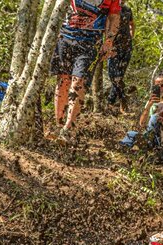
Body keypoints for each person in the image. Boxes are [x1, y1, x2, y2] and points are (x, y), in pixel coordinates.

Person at [50, 0, 121, 141]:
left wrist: (108, 42)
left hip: (90, 42)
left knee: (79, 82)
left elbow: (114, 17)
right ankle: (58, 123)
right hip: (65, 36)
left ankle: (68, 128)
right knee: (63, 80)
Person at [107, 1, 135, 113]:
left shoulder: (128, 9)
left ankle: (110, 103)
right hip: (113, 47)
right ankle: (122, 98)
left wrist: (132, 36)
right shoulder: (109, 7)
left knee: (119, 76)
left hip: (127, 47)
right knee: (112, 75)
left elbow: (132, 24)